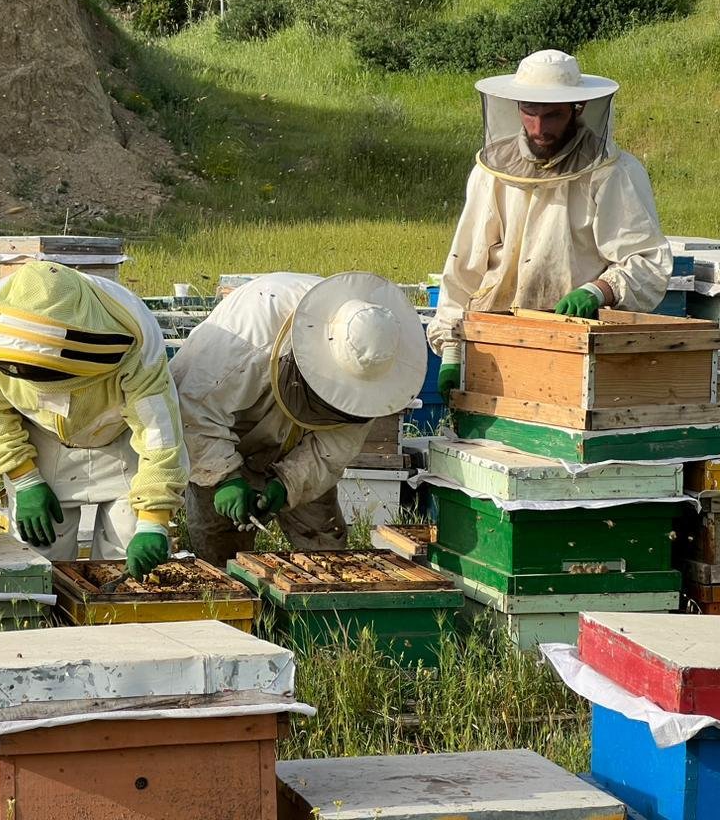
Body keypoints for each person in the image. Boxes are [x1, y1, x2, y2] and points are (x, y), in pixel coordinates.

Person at [430, 49, 671, 400]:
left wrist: (598, 290)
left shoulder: (612, 173)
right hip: (495, 337)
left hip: (573, 342)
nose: (539, 128)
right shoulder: (492, 172)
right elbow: (463, 266)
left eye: (552, 116)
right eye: (529, 113)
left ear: (578, 108)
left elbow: (647, 263)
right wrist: (451, 347)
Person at [171, 272, 426, 567]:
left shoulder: (379, 365)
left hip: (302, 439)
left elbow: (335, 446)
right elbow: (193, 410)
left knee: (325, 548)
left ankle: (323, 596)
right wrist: (222, 476)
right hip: (227, 428)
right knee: (219, 545)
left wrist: (287, 484)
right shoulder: (246, 338)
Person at [0, 261, 189, 579]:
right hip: (41, 441)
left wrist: (154, 519)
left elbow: (158, 434)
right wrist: (24, 478)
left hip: (121, 441)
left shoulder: (135, 335)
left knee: (127, 555)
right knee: (37, 560)